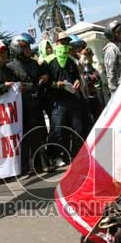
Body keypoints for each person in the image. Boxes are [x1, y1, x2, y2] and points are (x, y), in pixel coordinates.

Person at [7, 32, 50, 174]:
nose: (28, 49)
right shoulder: (10, 67)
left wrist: (44, 76)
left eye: (29, 47)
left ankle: (43, 162)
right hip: (22, 107)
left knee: (41, 133)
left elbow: (41, 77)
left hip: (36, 103)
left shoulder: (33, 63)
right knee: (28, 136)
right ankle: (28, 166)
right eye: (25, 47)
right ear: (17, 48)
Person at [44, 32, 85, 168]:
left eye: (67, 41)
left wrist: (77, 82)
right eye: (62, 41)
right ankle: (56, 156)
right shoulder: (48, 61)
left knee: (77, 129)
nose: (64, 44)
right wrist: (57, 84)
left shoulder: (71, 60)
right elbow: (44, 83)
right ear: (56, 43)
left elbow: (77, 77)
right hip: (57, 102)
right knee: (58, 131)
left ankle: (75, 154)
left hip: (72, 99)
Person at [103, 20, 121, 94]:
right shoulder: (111, 49)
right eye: (118, 32)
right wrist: (113, 90)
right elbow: (111, 71)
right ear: (111, 34)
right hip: (119, 88)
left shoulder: (119, 46)